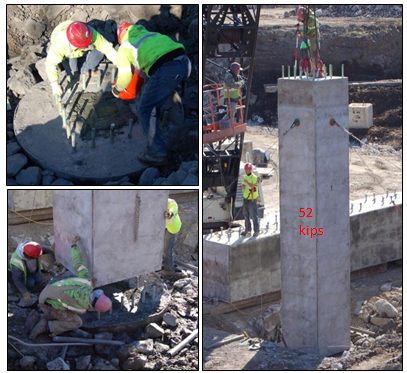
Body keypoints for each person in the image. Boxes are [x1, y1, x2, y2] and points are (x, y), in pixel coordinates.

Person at [113, 22, 191, 166]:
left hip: (165, 69)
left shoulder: (124, 47)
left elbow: (124, 79)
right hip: (184, 63)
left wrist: (117, 90)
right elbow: (145, 68)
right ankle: (171, 118)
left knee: (145, 109)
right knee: (159, 87)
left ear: (121, 37)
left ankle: (157, 153)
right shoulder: (149, 35)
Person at [29, 236, 111, 340]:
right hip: (46, 304)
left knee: (67, 289)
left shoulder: (86, 279)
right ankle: (47, 326)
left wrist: (73, 245)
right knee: (77, 322)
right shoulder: (81, 308)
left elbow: (78, 262)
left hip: (48, 290)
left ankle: (45, 316)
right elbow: (72, 308)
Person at [45, 20, 117, 96]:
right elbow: (50, 64)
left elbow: (107, 48)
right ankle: (77, 69)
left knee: (100, 50)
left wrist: (121, 65)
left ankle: (87, 68)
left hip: (77, 35)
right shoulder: (60, 44)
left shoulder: (90, 33)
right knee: (74, 73)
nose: (85, 47)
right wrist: (55, 84)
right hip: (68, 53)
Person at [161, 198, 185, 281]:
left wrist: (169, 213)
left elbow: (173, 208)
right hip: (165, 227)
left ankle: (169, 270)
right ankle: (164, 264)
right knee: (163, 247)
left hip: (172, 228)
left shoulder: (170, 202)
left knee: (167, 249)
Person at [297, 6, 322, 76]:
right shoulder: (307, 13)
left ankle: (316, 70)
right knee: (303, 47)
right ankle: (310, 67)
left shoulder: (310, 20)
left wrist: (300, 36)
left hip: (313, 35)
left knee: (313, 52)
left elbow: (306, 31)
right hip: (309, 35)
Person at [220, 62, 244, 129]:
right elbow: (231, 84)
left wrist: (240, 83)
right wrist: (239, 84)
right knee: (231, 114)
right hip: (230, 97)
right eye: (238, 70)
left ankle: (228, 128)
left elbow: (242, 81)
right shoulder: (228, 76)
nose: (239, 72)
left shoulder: (236, 76)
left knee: (232, 114)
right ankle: (222, 122)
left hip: (234, 98)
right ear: (236, 70)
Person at [241, 163, 260, 237]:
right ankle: (247, 229)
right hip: (246, 198)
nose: (245, 171)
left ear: (250, 170)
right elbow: (243, 185)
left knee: (253, 215)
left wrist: (246, 183)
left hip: (252, 199)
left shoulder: (254, 177)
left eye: (246, 170)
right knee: (246, 215)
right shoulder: (245, 177)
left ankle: (256, 231)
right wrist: (243, 186)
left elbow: (253, 187)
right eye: (245, 170)